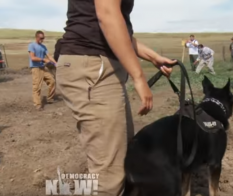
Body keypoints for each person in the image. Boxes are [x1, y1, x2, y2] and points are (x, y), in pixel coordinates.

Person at [56, 1, 176, 195]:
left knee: (124, 157)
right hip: (93, 68)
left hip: (98, 67)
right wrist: (138, 76)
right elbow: (107, 15)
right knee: (109, 175)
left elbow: (119, 28)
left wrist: (152, 56)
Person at [28, 30, 56, 111]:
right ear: (36, 37)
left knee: (52, 81)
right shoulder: (32, 45)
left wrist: (56, 63)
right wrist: (43, 60)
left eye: (43, 38)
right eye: (41, 38)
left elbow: (49, 56)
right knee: (37, 86)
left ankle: (50, 99)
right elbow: (33, 58)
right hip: (36, 68)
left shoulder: (43, 47)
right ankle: (37, 104)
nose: (42, 39)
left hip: (43, 68)